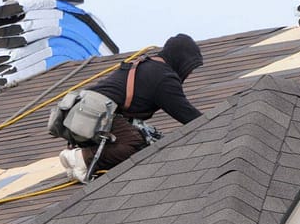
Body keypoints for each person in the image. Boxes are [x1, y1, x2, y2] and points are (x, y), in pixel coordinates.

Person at [59, 33, 203, 181]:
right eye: (189, 67)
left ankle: (82, 162)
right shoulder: (163, 77)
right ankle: (80, 157)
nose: (189, 73)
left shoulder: (148, 66)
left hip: (80, 113)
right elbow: (188, 115)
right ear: (181, 60)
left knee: (138, 140)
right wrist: (217, 121)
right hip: (96, 114)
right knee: (136, 144)